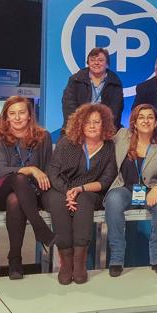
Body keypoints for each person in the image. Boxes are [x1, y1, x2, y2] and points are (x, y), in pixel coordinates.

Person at [44, 103, 117, 285]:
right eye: (87, 122)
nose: (92, 126)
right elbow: (53, 172)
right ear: (80, 125)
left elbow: (106, 181)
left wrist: (80, 189)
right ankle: (66, 263)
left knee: (84, 201)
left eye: (96, 122)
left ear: (104, 124)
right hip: (59, 188)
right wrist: (68, 192)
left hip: (89, 191)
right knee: (58, 202)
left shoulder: (109, 148)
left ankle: (79, 263)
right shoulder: (67, 142)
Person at [104, 104, 157, 277]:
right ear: (134, 122)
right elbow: (100, 137)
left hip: (150, 189)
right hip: (125, 188)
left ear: (156, 121)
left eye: (150, 117)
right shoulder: (122, 136)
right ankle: (117, 258)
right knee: (113, 200)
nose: (146, 120)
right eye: (141, 117)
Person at [0, 96, 55, 280]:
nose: (17, 117)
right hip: (3, 188)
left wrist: (36, 174)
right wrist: (30, 169)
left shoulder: (43, 136)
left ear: (29, 115)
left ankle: (15, 260)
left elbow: (47, 170)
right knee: (18, 178)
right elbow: (2, 170)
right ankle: (40, 228)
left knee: (16, 200)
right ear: (6, 117)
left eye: (21, 112)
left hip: (30, 194)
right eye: (12, 113)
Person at [62, 47, 123, 130]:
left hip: (105, 129)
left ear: (107, 64)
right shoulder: (75, 80)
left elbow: (115, 111)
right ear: (88, 63)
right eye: (92, 60)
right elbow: (69, 106)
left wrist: (101, 129)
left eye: (100, 60)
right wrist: (81, 126)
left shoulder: (115, 83)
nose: (96, 63)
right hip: (78, 127)